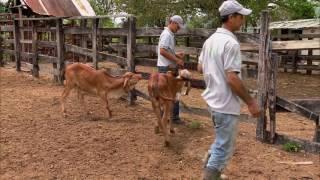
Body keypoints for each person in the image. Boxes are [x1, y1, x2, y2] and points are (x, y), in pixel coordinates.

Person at [197, 1, 261, 179]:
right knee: (223, 148)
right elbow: (232, 78)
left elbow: (200, 67)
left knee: (220, 142)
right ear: (231, 17)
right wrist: (251, 102)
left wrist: (214, 70)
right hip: (225, 103)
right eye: (240, 16)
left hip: (213, 100)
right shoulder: (230, 43)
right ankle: (209, 176)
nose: (243, 20)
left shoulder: (210, 40)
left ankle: (211, 173)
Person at [157, 15, 185, 124]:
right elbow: (162, 51)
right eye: (178, 26)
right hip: (166, 68)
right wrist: (177, 60)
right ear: (172, 22)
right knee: (173, 92)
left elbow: (166, 50)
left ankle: (166, 117)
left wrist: (176, 54)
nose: (179, 28)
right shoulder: (167, 35)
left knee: (166, 94)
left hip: (165, 67)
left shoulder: (169, 34)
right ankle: (174, 118)